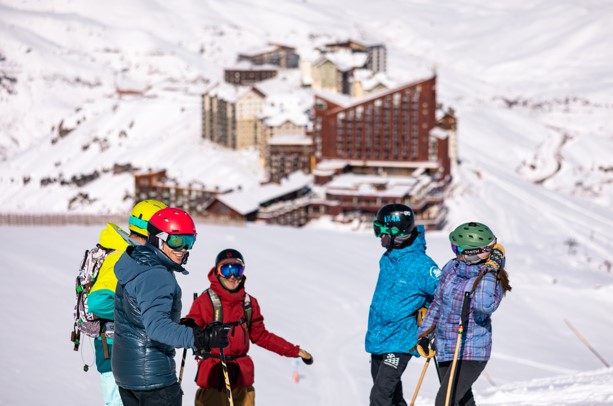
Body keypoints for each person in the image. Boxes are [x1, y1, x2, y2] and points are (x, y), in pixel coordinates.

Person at [112, 207, 231, 406]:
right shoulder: (157, 275)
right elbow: (157, 328)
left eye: (189, 241)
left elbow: (140, 316)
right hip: (154, 378)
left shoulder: (137, 263)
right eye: (177, 241)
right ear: (158, 238)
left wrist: (184, 327)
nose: (183, 249)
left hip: (128, 375)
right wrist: (201, 338)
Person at [184, 248, 313, 406]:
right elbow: (191, 329)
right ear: (217, 272)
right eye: (226, 269)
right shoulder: (206, 301)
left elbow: (261, 336)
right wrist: (191, 326)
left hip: (242, 382)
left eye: (237, 270)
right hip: (214, 381)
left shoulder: (249, 303)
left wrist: (294, 350)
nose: (232, 276)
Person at [417, 222, 511, 406]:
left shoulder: (492, 278)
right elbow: (438, 302)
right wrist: (425, 334)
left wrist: (490, 271)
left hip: (471, 351)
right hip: (446, 347)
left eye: (458, 248)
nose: (455, 252)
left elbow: (484, 305)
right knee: (462, 401)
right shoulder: (451, 268)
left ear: (472, 252)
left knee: (445, 401)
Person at [86, 199, 167, 406]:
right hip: (114, 349)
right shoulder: (121, 257)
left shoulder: (136, 255)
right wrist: (139, 314)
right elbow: (97, 301)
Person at [365, 203, 441, 406]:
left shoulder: (422, 265)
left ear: (397, 232)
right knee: (393, 398)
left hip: (401, 339)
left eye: (381, 231)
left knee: (379, 396)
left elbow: (444, 295)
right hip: (379, 335)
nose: (379, 236)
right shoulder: (388, 258)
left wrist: (429, 326)